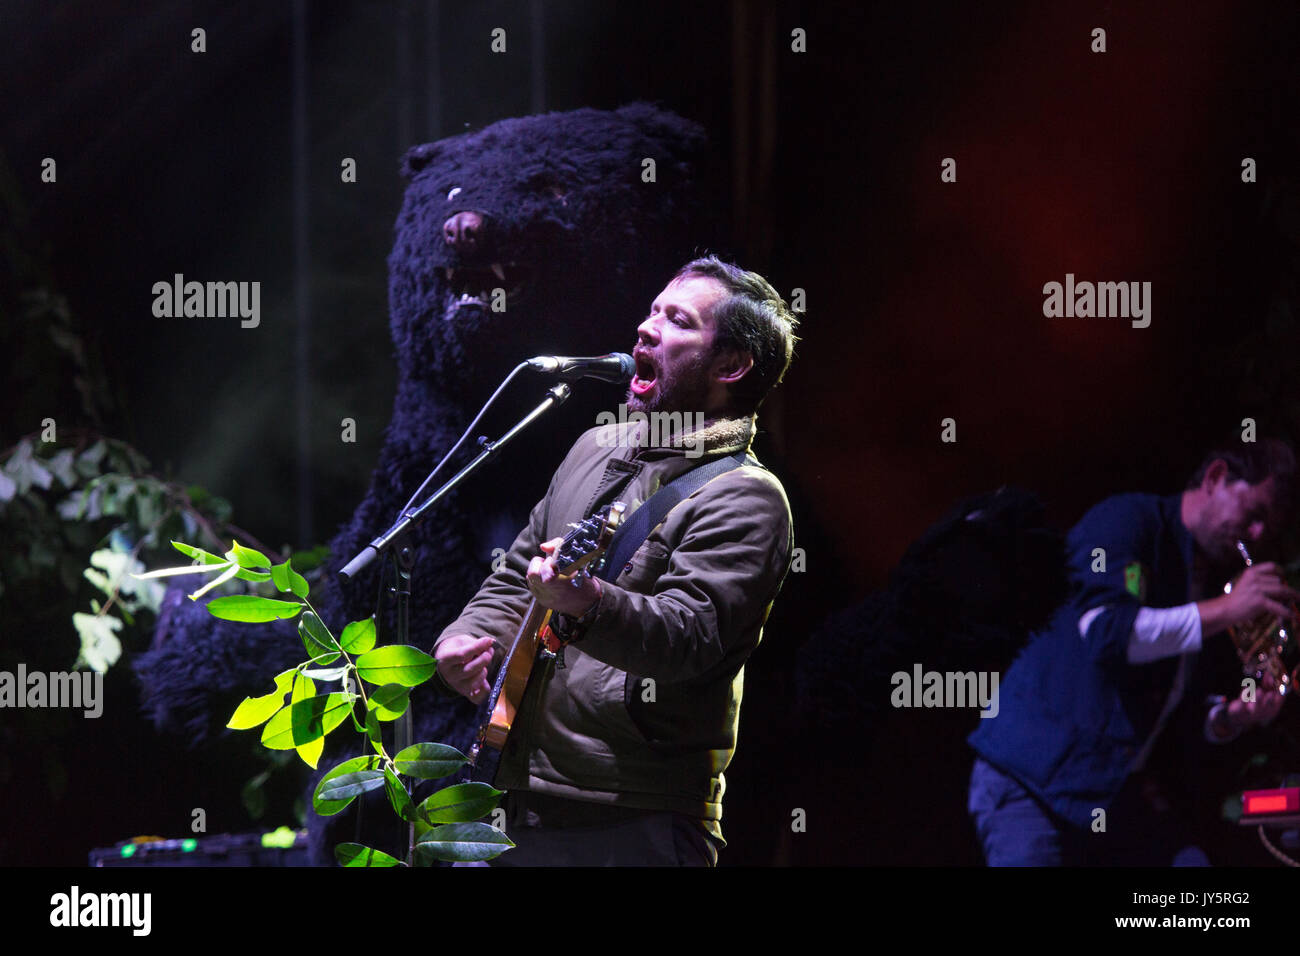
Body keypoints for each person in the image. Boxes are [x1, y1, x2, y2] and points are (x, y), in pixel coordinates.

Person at [432, 256, 799, 865]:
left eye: (678, 320)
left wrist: (588, 603)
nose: (646, 329)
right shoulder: (594, 447)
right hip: (520, 790)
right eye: (652, 311)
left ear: (731, 365)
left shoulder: (746, 497)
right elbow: (518, 571)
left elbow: (690, 636)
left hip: (635, 809)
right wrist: (468, 635)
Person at [967, 438, 1298, 866]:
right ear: (1216, 478)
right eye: (1254, 515)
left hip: (1110, 793)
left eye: (1265, 530)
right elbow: (1110, 634)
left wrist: (1229, 718)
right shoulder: (1127, 521)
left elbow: (1179, 707)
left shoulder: (1206, 578)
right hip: (1033, 780)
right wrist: (1226, 610)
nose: (1255, 536)